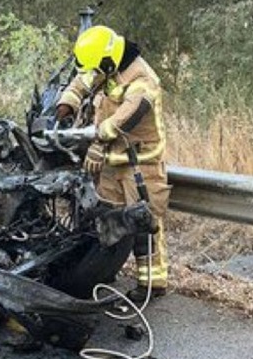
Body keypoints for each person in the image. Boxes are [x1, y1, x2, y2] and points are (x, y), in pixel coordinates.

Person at [55, 25, 170, 303]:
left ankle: (153, 283)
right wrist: (65, 105)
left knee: (144, 222)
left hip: (140, 163)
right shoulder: (106, 64)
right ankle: (107, 269)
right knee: (108, 220)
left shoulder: (142, 79)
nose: (94, 73)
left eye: (97, 68)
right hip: (111, 163)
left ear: (108, 60)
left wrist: (98, 141)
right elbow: (83, 80)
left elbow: (125, 118)